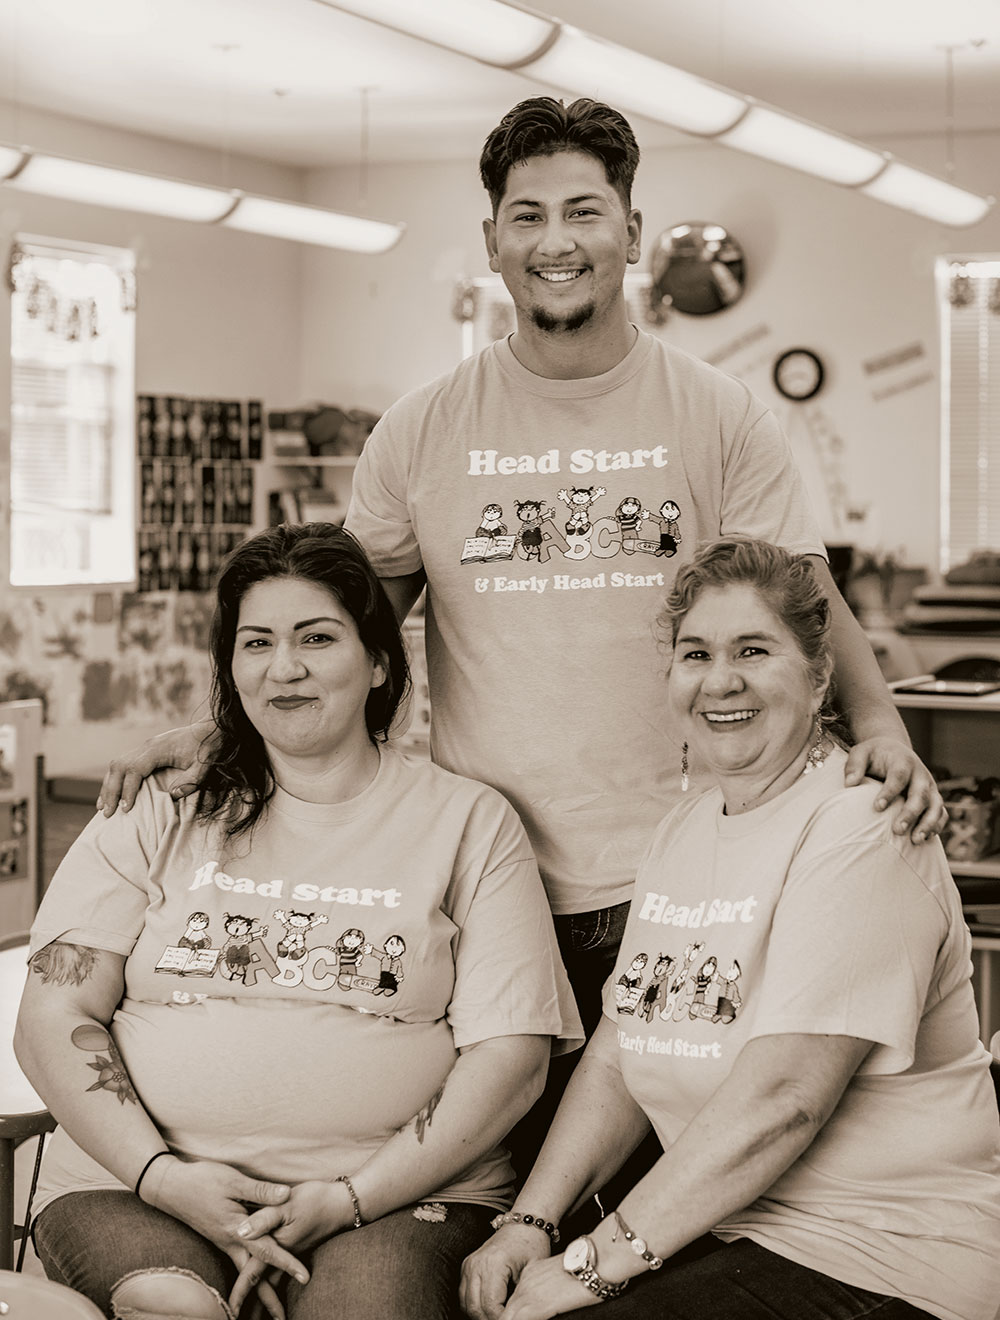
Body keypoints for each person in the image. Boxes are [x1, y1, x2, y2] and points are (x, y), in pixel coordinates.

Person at [97, 96, 944, 1101]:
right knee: (506, 1159)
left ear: (631, 232)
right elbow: (349, 631)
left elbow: (799, 598)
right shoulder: (420, 429)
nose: (556, 242)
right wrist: (228, 728)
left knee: (677, 1149)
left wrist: (881, 724)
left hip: (684, 865)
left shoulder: (720, 415)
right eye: (528, 216)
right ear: (492, 240)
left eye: (584, 212)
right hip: (484, 875)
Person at [15, 523, 582, 1320]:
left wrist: (350, 1197)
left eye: (317, 637)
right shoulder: (158, 806)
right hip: (138, 1184)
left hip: (395, 1197)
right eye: (257, 643)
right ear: (231, 666)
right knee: (171, 1307)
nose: (284, 668)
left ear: (378, 661)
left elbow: (511, 1056)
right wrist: (164, 1178)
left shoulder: (469, 822)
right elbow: (52, 1015)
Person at [459, 538, 1000, 1320]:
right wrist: (530, 1223)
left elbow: (785, 1099)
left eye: (753, 650)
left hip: (888, 1255)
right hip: (735, 1232)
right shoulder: (684, 830)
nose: (721, 681)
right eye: (696, 654)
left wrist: (592, 1266)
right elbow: (619, 1052)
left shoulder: (862, 823)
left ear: (819, 677)